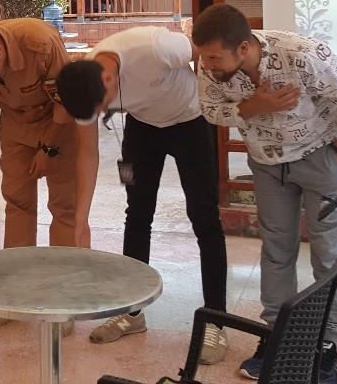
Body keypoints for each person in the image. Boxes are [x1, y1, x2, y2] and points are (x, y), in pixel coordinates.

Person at [192, 3, 337, 384]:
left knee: (327, 253)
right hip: (268, 165)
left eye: (215, 58)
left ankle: (326, 346)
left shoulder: (302, 54)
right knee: (276, 250)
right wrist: (254, 106)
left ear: (243, 47)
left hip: (320, 157)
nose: (208, 65)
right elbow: (210, 110)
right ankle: (275, 335)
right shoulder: (210, 64)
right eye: (204, 57)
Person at [55, 26, 229, 362]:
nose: (104, 112)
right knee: (136, 216)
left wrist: (214, 104)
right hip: (144, 128)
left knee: (205, 218)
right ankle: (132, 313)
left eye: (104, 105)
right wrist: (81, 220)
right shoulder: (83, 85)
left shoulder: (155, 47)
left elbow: (203, 55)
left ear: (108, 79)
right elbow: (87, 154)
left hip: (190, 121)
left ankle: (216, 321)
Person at [0, 19, 77, 328]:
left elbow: (66, 102)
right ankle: (14, 297)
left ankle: (64, 301)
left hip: (58, 120)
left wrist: (47, 149)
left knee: (64, 208)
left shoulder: (39, 43)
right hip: (15, 123)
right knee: (17, 203)